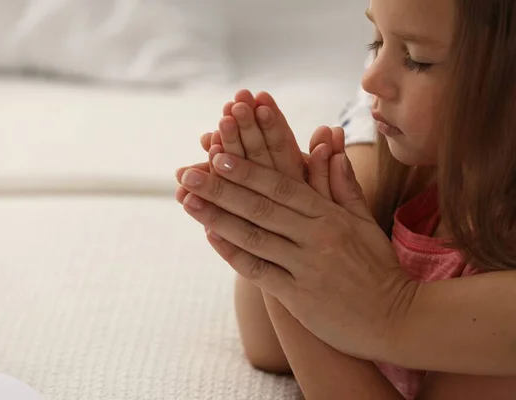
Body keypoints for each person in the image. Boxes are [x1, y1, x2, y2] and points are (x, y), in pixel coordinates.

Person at [175, 0, 516, 398]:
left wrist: (303, 260)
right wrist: (285, 229)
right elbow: (268, 351)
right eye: (375, 43)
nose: (370, 79)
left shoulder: (499, 259)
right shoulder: (421, 168)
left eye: (418, 60)